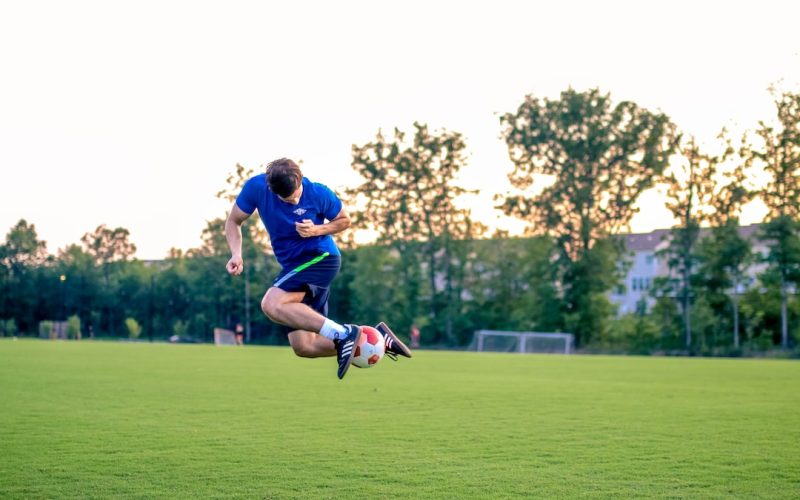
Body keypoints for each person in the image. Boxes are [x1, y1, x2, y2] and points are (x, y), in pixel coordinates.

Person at [225, 158, 411, 379]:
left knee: (271, 304)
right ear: (271, 189)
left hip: (320, 258)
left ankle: (345, 333)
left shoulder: (318, 193)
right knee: (305, 347)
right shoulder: (256, 188)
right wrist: (236, 253)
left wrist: (317, 230)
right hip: (294, 266)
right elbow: (233, 221)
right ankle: (378, 341)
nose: (293, 202)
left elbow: (344, 220)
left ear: (300, 179)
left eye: (295, 195)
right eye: (286, 199)